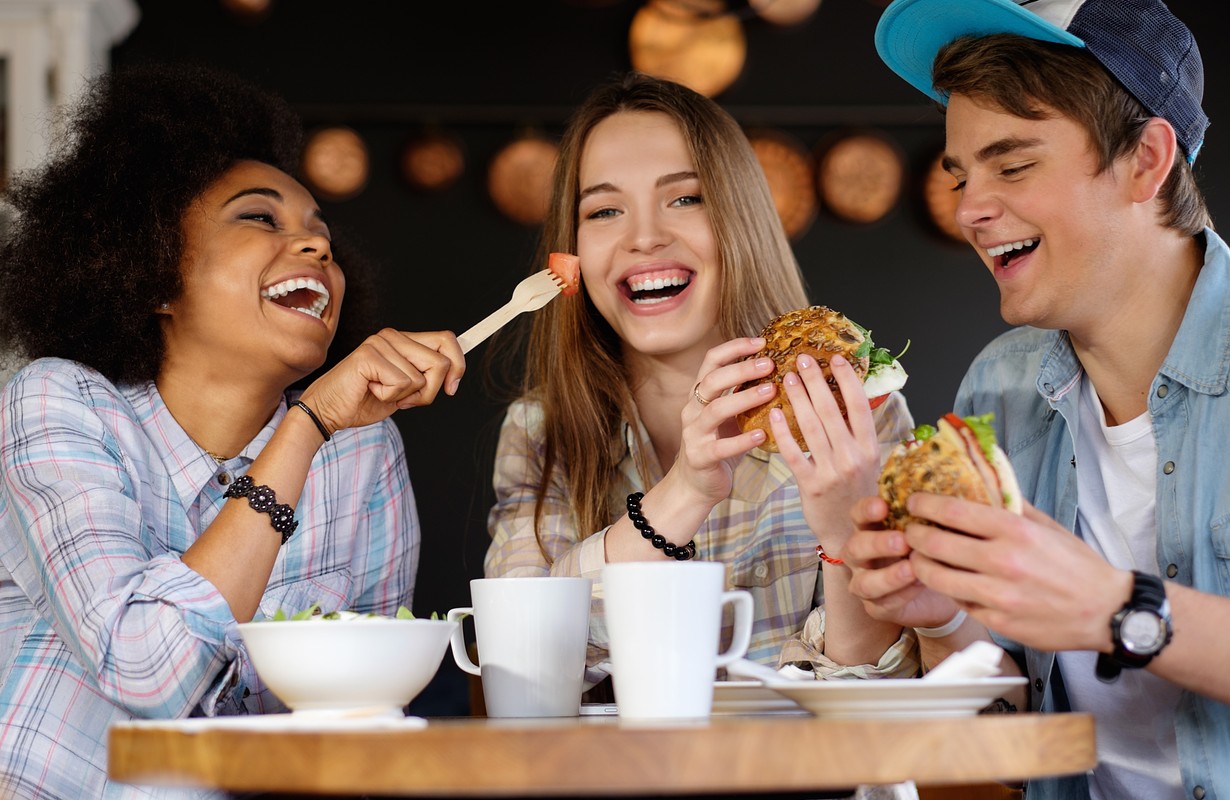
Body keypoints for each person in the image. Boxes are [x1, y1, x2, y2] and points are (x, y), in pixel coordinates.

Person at [0, 63, 464, 798]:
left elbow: (365, 713)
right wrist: (307, 426)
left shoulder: (363, 452)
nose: (316, 248)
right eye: (259, 218)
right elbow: (148, 672)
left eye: (322, 234)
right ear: (149, 269)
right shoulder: (60, 403)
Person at [841, 0, 1228, 798]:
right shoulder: (1002, 386)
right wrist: (946, 620)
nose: (969, 209)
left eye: (1012, 166)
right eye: (961, 174)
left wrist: (1119, 609)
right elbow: (995, 765)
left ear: (1146, 161)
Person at [483, 71, 919, 685]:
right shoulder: (540, 429)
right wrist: (682, 494)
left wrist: (847, 538)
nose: (644, 237)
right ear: (573, 255)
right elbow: (517, 657)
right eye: (605, 210)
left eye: (685, 198)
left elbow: (883, 688)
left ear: (740, 219)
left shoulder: (854, 406)